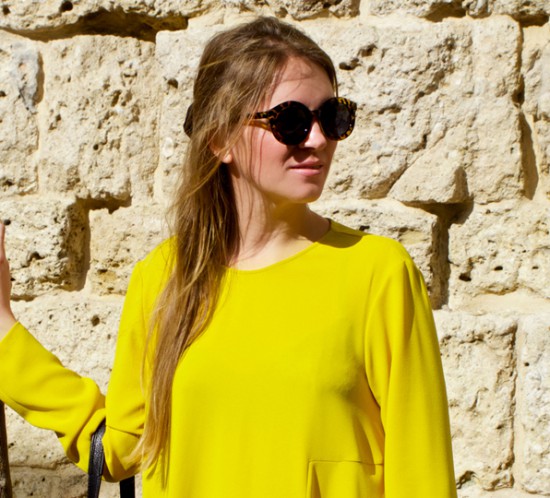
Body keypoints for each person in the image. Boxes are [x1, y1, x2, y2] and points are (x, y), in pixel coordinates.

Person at [0, 16, 457, 498]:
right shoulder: (163, 278)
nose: (318, 139)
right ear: (219, 139)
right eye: (291, 121)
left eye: (332, 117)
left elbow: (422, 474)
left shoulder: (377, 272)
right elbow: (121, 448)